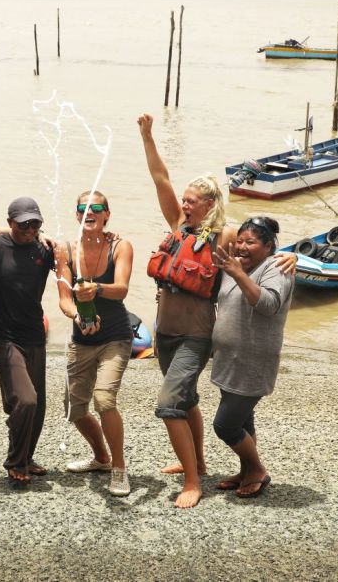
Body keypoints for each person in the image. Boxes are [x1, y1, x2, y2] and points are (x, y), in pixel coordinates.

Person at [137, 112, 295, 509]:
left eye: (191, 201)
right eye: (184, 200)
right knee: (187, 399)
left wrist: (293, 257)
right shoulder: (179, 224)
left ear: (208, 204)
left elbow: (258, 244)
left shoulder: (222, 234)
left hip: (195, 334)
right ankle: (201, 463)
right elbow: (160, 179)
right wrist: (147, 136)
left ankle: (192, 482)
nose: (183, 204)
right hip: (165, 332)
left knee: (170, 403)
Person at [55, 190, 135, 497]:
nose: (89, 212)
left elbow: (123, 289)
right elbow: (64, 300)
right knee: (74, 409)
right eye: (83, 208)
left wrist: (96, 288)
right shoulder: (65, 250)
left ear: (106, 215)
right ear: (77, 215)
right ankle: (100, 458)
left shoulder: (121, 245)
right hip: (82, 340)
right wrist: (78, 316)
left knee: (103, 400)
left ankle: (119, 468)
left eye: (96, 208)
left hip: (116, 336)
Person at [210, 216, 294, 498]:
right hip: (229, 358)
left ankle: (257, 469)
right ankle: (246, 470)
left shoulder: (277, 267)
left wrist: (238, 274)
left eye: (251, 242)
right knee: (244, 421)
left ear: (269, 246)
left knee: (225, 424)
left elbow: (268, 305)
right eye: (240, 242)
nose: (242, 247)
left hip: (253, 361)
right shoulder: (232, 266)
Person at [0, 196, 59, 485]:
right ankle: (15, 460)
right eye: (22, 224)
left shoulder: (44, 249)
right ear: (9, 223)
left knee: (37, 404)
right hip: (2, 335)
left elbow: (76, 264)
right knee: (25, 400)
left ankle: (26, 456)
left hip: (34, 334)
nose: (29, 229)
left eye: (35, 223)